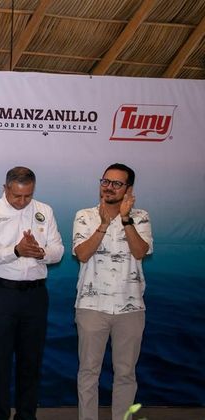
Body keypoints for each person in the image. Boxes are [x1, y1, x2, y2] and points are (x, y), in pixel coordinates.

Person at [0, 166, 64, 420]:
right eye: (16, 196)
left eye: (27, 196)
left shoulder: (44, 211)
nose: (22, 202)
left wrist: (42, 252)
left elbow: (58, 249)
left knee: (31, 360)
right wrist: (15, 250)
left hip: (35, 296)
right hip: (2, 294)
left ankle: (27, 415)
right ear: (5, 189)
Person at [72, 163, 152, 420]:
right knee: (88, 372)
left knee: (126, 373)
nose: (108, 187)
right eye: (105, 181)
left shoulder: (141, 217)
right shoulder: (84, 215)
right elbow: (82, 254)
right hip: (91, 306)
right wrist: (103, 225)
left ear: (129, 189)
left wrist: (125, 219)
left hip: (131, 308)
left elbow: (140, 251)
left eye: (117, 183)